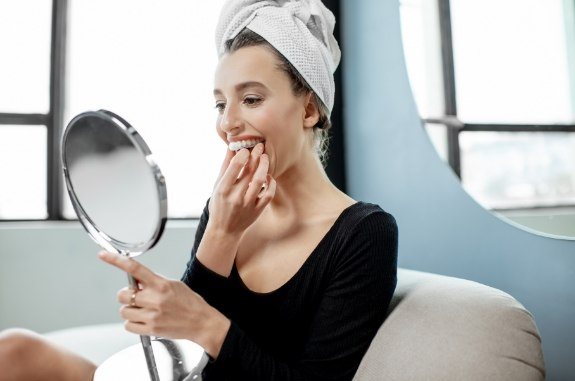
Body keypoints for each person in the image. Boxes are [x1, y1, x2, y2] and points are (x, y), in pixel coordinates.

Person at [0, 0, 398, 380]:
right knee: (14, 351)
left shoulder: (365, 233)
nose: (228, 123)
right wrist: (222, 233)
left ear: (309, 110)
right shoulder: (224, 212)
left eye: (252, 99)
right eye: (221, 105)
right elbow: (178, 352)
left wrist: (208, 325)